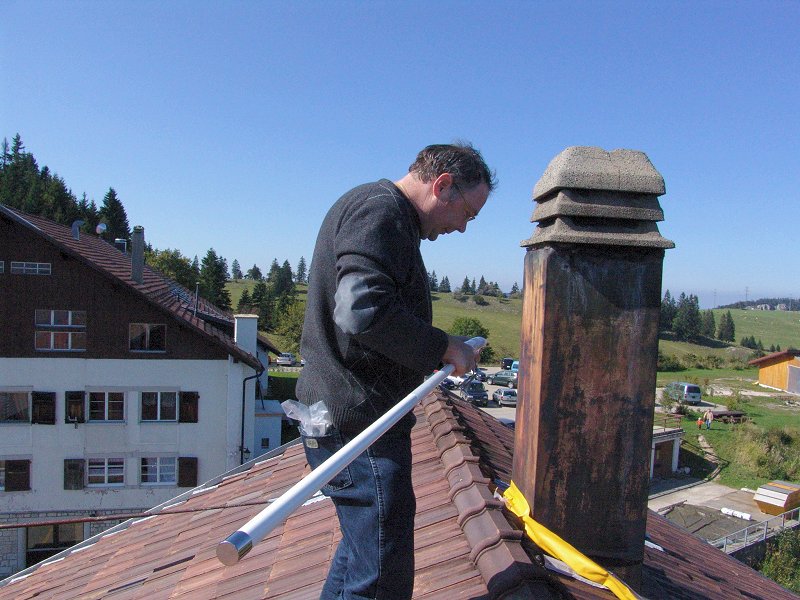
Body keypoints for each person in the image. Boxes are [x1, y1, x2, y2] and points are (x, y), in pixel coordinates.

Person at [296, 143, 495, 600]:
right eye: (468, 212)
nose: (463, 227)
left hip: (352, 413)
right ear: (442, 185)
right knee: (382, 570)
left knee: (365, 554)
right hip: (356, 421)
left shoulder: (385, 214)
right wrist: (441, 346)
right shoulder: (380, 212)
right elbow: (361, 311)